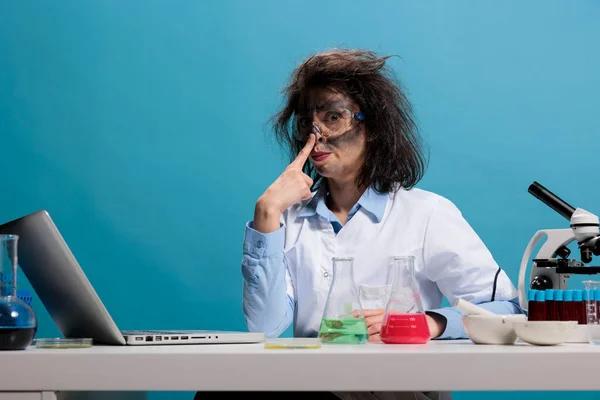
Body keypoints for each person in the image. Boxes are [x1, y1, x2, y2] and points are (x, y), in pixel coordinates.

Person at [196, 49, 524, 400]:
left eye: (333, 117)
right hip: (313, 387)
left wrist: (428, 322)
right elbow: (266, 328)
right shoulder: (288, 220)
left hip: (394, 392)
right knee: (220, 390)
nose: (315, 135)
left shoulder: (427, 213)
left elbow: (508, 311)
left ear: (373, 128)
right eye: (307, 121)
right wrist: (266, 214)